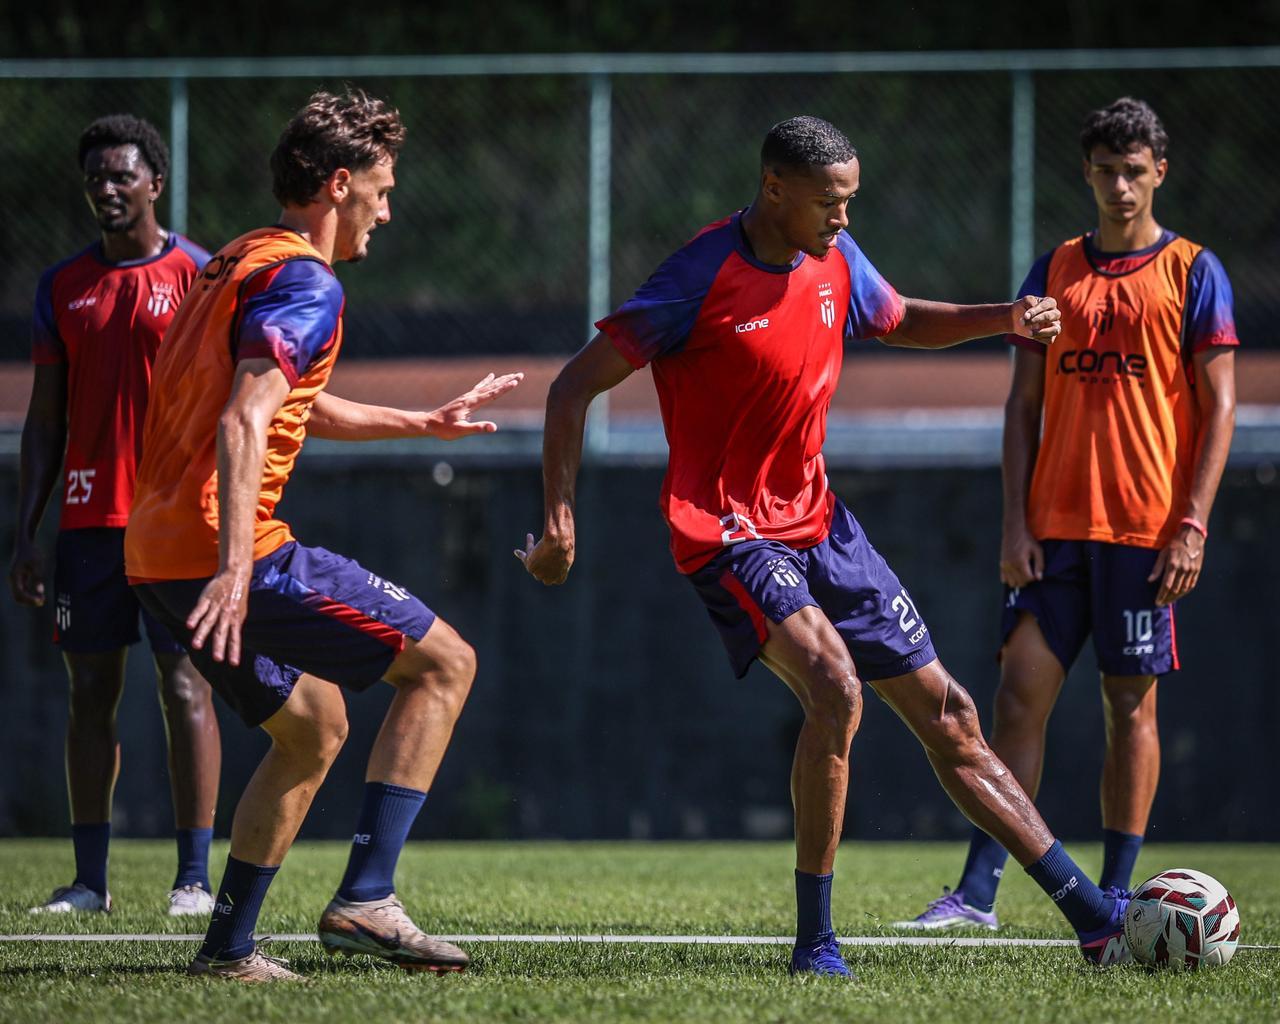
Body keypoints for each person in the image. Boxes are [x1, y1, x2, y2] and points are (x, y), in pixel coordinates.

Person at [519, 115, 1136, 977]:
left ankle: (1096, 918)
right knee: (835, 687)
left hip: (821, 524)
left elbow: (899, 317)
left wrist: (1006, 318)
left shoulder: (835, 257)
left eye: (850, 202)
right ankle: (815, 944)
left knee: (952, 716)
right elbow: (570, 388)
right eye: (830, 204)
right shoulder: (696, 277)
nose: (844, 219)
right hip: (727, 530)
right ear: (775, 189)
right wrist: (560, 518)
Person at [123, 88, 522, 982]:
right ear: (339, 185)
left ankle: (227, 950)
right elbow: (242, 421)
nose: (388, 207)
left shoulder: (235, 260)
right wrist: (235, 569)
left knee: (314, 724)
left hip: (155, 556)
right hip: (228, 552)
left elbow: (290, 402)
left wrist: (421, 425)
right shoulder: (308, 277)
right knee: (447, 662)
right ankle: (368, 897)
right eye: (381, 189)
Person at [896, 97, 1237, 931]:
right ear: (1086, 172)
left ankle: (1118, 894)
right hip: (1052, 533)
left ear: (1160, 170)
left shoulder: (1194, 270)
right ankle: (977, 894)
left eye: (1134, 169)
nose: (1120, 184)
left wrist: (1192, 523)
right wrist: (1014, 522)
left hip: (1146, 535)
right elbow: (1020, 408)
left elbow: (1220, 406)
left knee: (1131, 708)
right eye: (1105, 169)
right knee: (1016, 700)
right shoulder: (1052, 270)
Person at [15, 114, 222, 918]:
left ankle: (195, 880)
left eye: (121, 175)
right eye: (95, 177)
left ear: (154, 184)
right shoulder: (62, 286)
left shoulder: (202, 275)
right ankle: (89, 883)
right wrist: (25, 531)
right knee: (90, 693)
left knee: (184, 686)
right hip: (88, 523)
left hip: (174, 523)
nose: (106, 188)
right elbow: (44, 422)